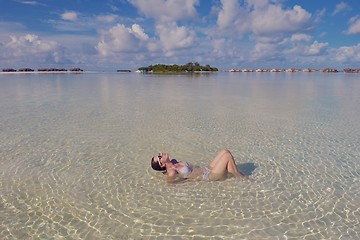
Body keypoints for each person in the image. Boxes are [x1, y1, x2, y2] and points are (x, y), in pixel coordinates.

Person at [150, 148, 248, 183]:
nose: (161, 153)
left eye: (159, 153)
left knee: (225, 151)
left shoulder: (174, 161)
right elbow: (171, 184)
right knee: (227, 156)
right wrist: (191, 180)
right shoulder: (172, 172)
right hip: (209, 176)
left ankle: (234, 174)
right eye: (159, 156)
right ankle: (240, 177)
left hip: (207, 168)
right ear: (162, 164)